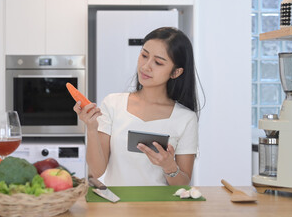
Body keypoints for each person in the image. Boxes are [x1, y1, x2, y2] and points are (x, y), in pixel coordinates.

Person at [73, 27, 200, 186]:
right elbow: (97, 171)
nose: (145, 66)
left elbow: (183, 184)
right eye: (144, 55)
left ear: (176, 72)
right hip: (116, 207)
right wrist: (91, 128)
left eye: (158, 62)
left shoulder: (186, 118)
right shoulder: (113, 103)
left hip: (162, 209)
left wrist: (169, 166)